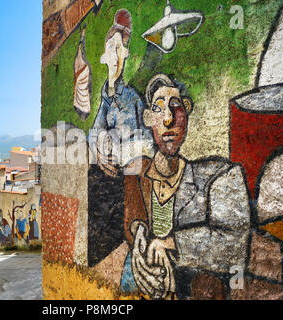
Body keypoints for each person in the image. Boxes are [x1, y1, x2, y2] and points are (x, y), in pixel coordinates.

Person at [120, 74, 251, 299]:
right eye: (158, 109)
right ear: (148, 118)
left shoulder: (217, 175)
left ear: (187, 113)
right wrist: (139, 233)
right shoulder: (138, 171)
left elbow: (234, 244)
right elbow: (133, 212)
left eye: (176, 107)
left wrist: (170, 243)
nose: (168, 119)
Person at [88, 9, 153, 177]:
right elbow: (94, 133)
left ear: (125, 55)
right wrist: (100, 157)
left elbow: (147, 143)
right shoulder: (106, 99)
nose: (114, 56)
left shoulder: (132, 99)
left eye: (119, 49)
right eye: (111, 48)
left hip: (130, 176)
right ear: (103, 57)